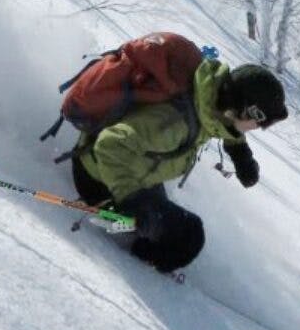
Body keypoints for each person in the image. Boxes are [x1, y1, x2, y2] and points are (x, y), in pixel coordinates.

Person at [72, 61, 287, 272]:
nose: (257, 129)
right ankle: (129, 245)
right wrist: (131, 199)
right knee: (189, 237)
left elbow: (226, 125)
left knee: (170, 221)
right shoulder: (176, 123)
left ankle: (134, 221)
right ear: (246, 109)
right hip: (101, 179)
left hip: (136, 175)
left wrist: (241, 154)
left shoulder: (207, 99)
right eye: (261, 122)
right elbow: (111, 144)